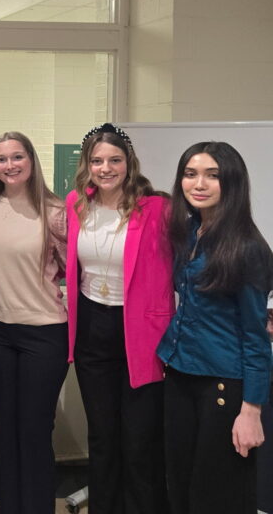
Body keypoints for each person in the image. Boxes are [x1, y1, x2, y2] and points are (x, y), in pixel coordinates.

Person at [157, 141, 273, 514]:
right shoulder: (189, 232)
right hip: (179, 373)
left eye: (212, 175)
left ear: (232, 182)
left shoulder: (247, 247)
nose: (199, 184)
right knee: (179, 485)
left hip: (224, 385)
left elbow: (256, 338)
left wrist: (252, 411)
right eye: (190, 174)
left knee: (215, 495)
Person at [65, 124, 172, 514]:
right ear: (87, 165)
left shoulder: (157, 206)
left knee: (141, 439)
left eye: (114, 160)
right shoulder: (77, 203)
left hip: (142, 330)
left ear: (129, 163)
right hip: (93, 327)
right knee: (103, 436)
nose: (105, 168)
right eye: (97, 161)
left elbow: (184, 263)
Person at [0, 131, 66, 514]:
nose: (9, 165)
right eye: (1, 159)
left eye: (17, 157)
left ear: (31, 161)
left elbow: (73, 271)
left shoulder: (55, 211)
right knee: (5, 429)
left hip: (42, 331)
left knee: (33, 430)